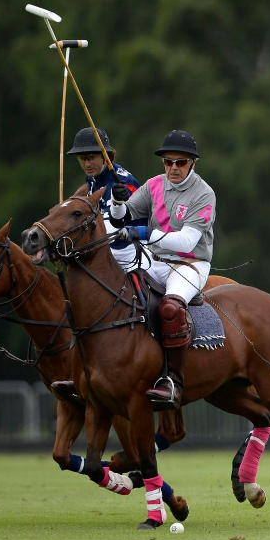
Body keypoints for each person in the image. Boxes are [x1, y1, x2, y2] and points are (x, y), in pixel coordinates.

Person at [108, 130, 216, 409]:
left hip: (189, 264)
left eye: (180, 162)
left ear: (192, 163)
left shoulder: (204, 194)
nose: (173, 168)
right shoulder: (154, 185)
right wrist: (117, 203)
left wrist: (144, 233)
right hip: (153, 261)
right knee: (116, 294)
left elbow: (186, 242)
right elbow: (123, 218)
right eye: (168, 162)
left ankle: (173, 382)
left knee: (170, 308)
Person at [65, 127, 148, 272]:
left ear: (105, 156)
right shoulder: (94, 176)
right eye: (82, 158)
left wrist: (71, 235)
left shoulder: (122, 182)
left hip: (132, 249)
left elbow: (111, 228)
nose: (87, 164)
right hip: (108, 248)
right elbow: (86, 191)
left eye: (91, 157)